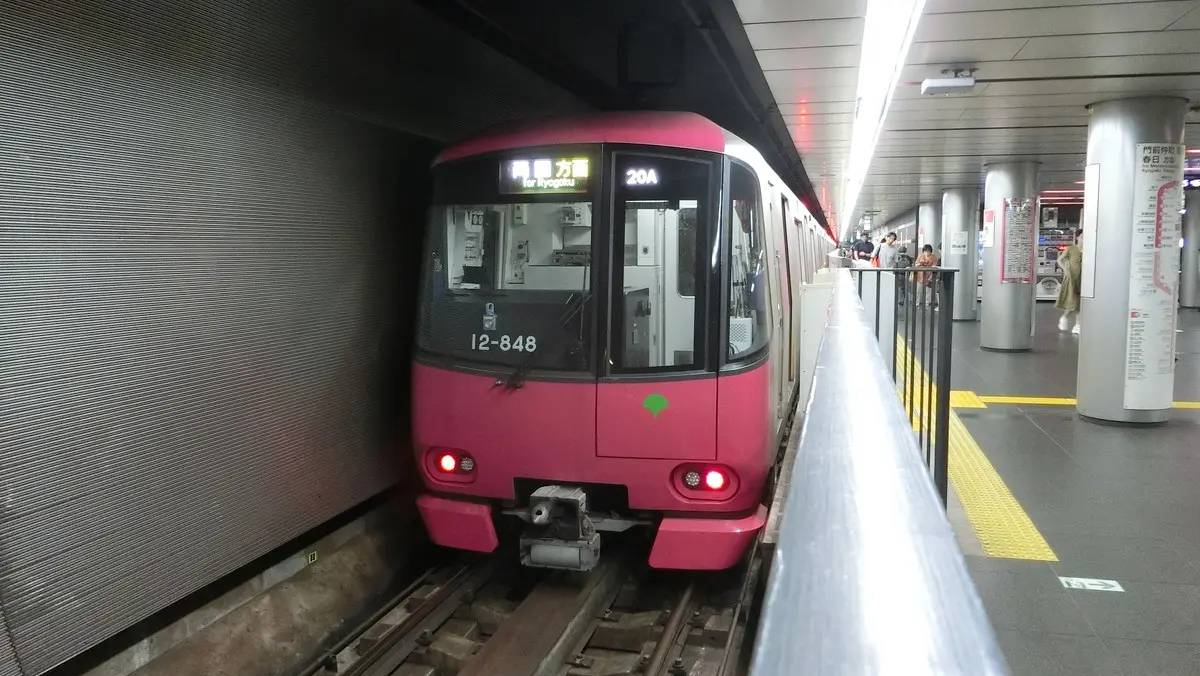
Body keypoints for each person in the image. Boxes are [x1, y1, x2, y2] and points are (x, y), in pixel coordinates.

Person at [1056, 228, 1083, 334]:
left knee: (1080, 303)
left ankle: (1078, 325)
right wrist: (1065, 270)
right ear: (1077, 238)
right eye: (1082, 237)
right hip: (1072, 279)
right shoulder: (1071, 249)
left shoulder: (1090, 249)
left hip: (1084, 279)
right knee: (1073, 302)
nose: (1084, 239)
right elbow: (1060, 259)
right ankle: (1064, 318)